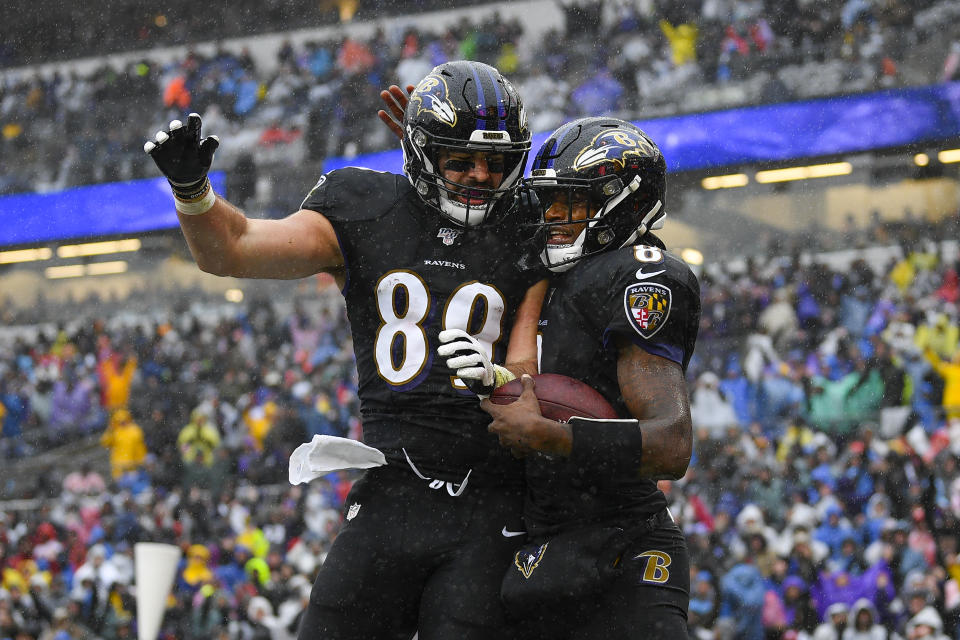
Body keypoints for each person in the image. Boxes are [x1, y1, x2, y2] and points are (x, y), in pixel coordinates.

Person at [145, 60, 546, 640]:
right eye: (461, 160)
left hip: (493, 501)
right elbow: (233, 249)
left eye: (496, 162)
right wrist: (194, 192)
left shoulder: (527, 223)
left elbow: (529, 373)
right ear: (422, 152)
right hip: (393, 492)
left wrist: (502, 378)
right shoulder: (364, 204)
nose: (481, 176)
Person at [461, 117, 700, 637]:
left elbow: (672, 443)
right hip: (543, 545)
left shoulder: (641, 274)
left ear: (624, 201)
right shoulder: (547, 277)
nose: (555, 216)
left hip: (624, 545)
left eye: (574, 201)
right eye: (549, 201)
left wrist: (550, 435)